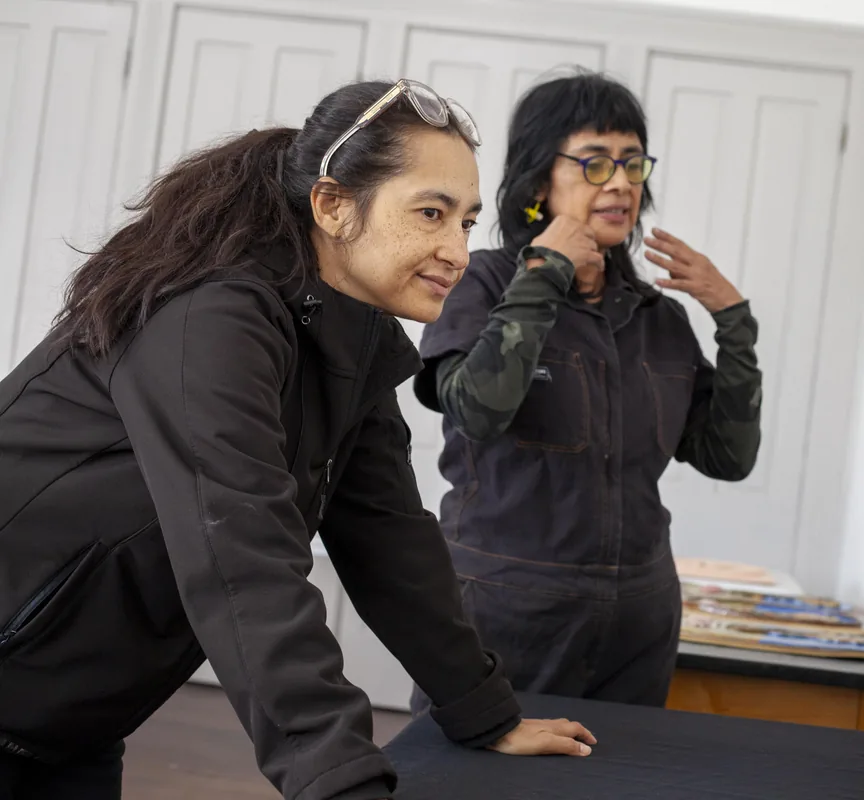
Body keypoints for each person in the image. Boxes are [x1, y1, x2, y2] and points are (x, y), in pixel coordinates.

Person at [0, 79, 595, 800]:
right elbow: (242, 557)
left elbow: (389, 537)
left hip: (70, 724)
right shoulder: (211, 321)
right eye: (430, 213)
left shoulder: (351, 337)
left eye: (467, 221)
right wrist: (339, 779)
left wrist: (483, 711)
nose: (456, 251)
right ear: (333, 205)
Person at [410, 72, 763, 713]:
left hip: (638, 621)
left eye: (632, 163)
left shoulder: (660, 317)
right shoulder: (481, 283)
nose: (623, 183)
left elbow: (728, 458)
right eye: (595, 163)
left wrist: (734, 320)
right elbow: (477, 411)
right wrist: (546, 272)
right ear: (540, 181)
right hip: (505, 611)